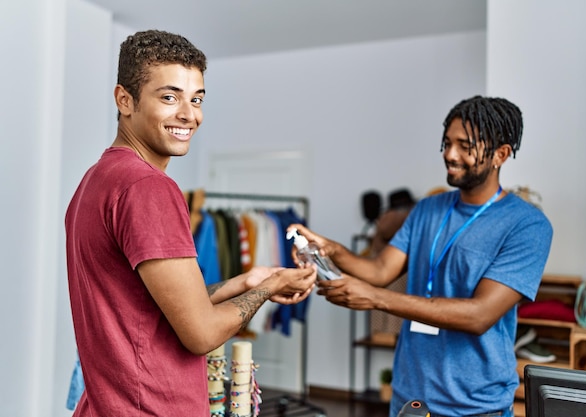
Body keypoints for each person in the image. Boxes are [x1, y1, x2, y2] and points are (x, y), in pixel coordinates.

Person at [65, 29, 317, 416]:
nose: (189, 114)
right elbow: (200, 333)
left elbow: (147, 308)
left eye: (196, 99)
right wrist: (269, 287)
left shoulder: (95, 180)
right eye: (169, 97)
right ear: (124, 100)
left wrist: (242, 283)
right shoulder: (148, 186)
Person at [290, 95, 553, 417]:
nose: (449, 154)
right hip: (409, 398)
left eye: (464, 146)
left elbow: (479, 315)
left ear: (501, 154)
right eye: (446, 143)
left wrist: (376, 298)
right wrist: (333, 250)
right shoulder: (428, 209)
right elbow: (380, 269)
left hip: (476, 405)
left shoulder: (527, 225)